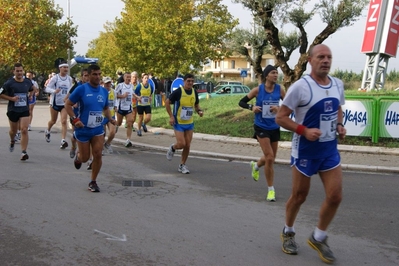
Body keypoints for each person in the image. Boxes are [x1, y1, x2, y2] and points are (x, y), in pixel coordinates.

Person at [275, 44, 346, 264]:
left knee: (335, 196)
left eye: (329, 57)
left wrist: (340, 124)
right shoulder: (301, 87)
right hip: (304, 151)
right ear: (310, 60)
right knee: (299, 196)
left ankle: (319, 237)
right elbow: (281, 117)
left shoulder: (337, 84)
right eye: (321, 57)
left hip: (328, 151)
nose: (326, 60)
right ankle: (288, 231)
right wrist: (303, 130)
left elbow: (338, 108)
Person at [65, 64, 116, 192]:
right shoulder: (81, 89)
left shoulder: (104, 91)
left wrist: (109, 118)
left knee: (98, 154)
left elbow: (105, 107)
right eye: (94, 74)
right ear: (89, 75)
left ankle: (93, 181)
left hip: (98, 128)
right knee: (85, 158)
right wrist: (74, 119)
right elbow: (68, 104)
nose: (98, 77)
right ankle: (78, 156)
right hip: (83, 128)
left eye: (99, 74)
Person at [239, 65, 286, 202]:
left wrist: (279, 108)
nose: (276, 75)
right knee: (270, 157)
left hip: (274, 127)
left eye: (277, 73)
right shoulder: (258, 90)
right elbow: (241, 102)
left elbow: (289, 104)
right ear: (267, 76)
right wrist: (251, 107)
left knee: (271, 158)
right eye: (273, 73)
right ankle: (271, 190)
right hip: (261, 127)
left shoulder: (279, 90)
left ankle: (256, 165)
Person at [165, 73, 204, 174]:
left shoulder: (194, 92)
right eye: (188, 81)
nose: (190, 83)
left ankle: (182, 165)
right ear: (184, 82)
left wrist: (199, 111)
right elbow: (167, 102)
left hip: (189, 122)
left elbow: (196, 105)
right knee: (181, 144)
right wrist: (171, 116)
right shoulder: (178, 92)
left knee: (187, 145)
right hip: (178, 122)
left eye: (192, 81)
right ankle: (173, 148)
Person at [0, 63, 34, 160]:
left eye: (21, 71)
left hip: (24, 109)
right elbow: (0, 94)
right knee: (13, 131)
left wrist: (31, 95)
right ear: (14, 72)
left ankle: (23, 152)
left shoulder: (27, 82)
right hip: (13, 110)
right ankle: (12, 140)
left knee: (24, 129)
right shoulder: (9, 83)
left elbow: (33, 89)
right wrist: (11, 98)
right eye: (17, 71)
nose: (19, 73)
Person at [44, 61, 73, 149]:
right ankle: (48, 130)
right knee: (53, 120)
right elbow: (46, 88)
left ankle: (63, 141)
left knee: (64, 121)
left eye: (67, 67)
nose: (66, 69)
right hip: (55, 102)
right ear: (60, 68)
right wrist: (54, 91)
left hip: (64, 103)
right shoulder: (55, 78)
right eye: (64, 67)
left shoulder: (69, 79)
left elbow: (71, 90)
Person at [67, 68, 89, 158]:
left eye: (89, 75)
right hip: (76, 115)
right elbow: (66, 100)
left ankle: (81, 154)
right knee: (75, 136)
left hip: (87, 116)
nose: (87, 78)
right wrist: (74, 103)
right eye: (85, 76)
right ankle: (73, 147)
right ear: (81, 77)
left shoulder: (93, 87)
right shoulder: (77, 87)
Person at [115, 72, 135, 147]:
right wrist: (122, 96)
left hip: (128, 108)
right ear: (124, 78)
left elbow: (132, 93)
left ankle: (128, 140)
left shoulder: (131, 86)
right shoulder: (120, 86)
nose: (128, 78)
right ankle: (116, 126)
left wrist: (137, 97)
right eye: (127, 77)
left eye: (130, 77)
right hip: (121, 107)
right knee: (119, 123)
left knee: (130, 123)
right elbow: (115, 95)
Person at [102, 76, 117, 153]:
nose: (108, 85)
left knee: (112, 132)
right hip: (102, 115)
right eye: (106, 83)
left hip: (111, 115)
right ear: (103, 84)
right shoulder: (100, 91)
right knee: (102, 134)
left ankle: (107, 144)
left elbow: (115, 100)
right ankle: (101, 148)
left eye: (109, 83)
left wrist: (115, 107)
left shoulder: (113, 92)